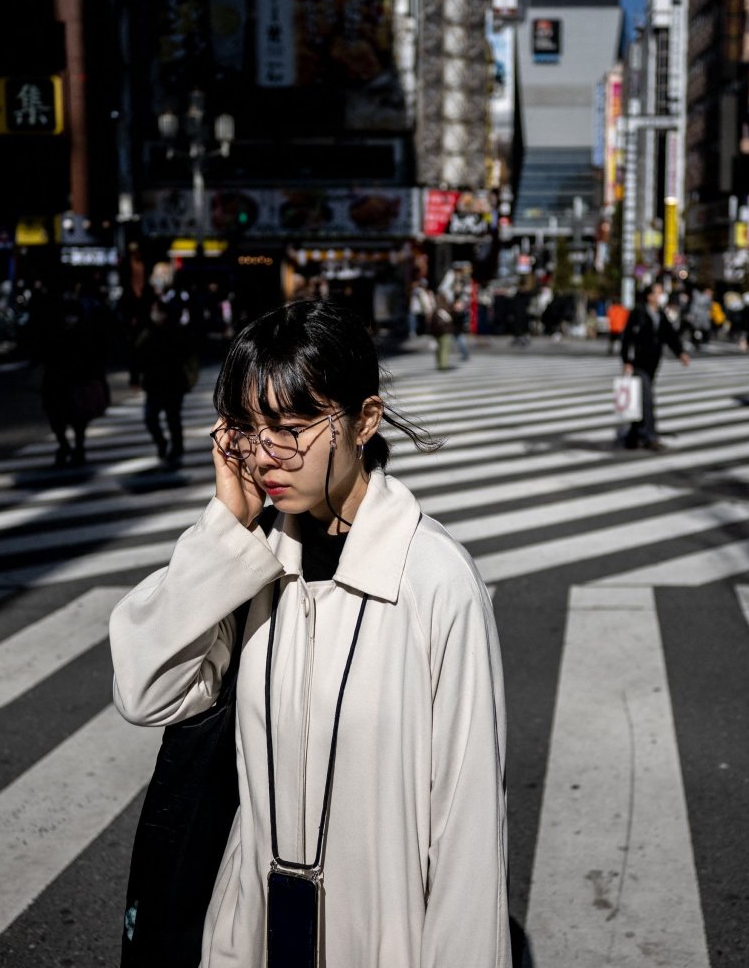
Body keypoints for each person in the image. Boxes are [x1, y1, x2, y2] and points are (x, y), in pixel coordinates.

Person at [108, 300, 511, 968]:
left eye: (290, 428)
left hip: (383, 937)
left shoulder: (434, 581)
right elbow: (145, 692)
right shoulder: (249, 565)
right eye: (247, 427)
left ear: (366, 421)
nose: (266, 456)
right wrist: (223, 527)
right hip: (249, 935)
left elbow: (469, 832)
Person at [620, 280, 691, 451]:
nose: (661, 296)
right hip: (639, 363)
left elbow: (670, 335)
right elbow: (627, 339)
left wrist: (680, 352)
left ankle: (633, 435)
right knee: (647, 400)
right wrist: (627, 361)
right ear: (649, 296)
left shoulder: (660, 314)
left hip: (653, 364)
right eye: (658, 292)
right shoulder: (638, 313)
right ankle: (650, 437)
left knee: (639, 400)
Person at [40, 294, 109, 467]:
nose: (69, 319)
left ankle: (77, 447)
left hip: (78, 383)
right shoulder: (54, 333)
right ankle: (65, 445)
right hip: (57, 383)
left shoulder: (86, 333)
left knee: (78, 419)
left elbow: (96, 361)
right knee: (57, 419)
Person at [131, 298, 198, 469]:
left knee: (172, 418)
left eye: (158, 311)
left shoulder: (176, 331)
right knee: (150, 417)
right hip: (153, 383)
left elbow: (188, 355)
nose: (155, 314)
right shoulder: (147, 332)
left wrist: (189, 378)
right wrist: (135, 378)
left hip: (173, 382)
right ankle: (162, 442)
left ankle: (177, 447)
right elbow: (136, 356)